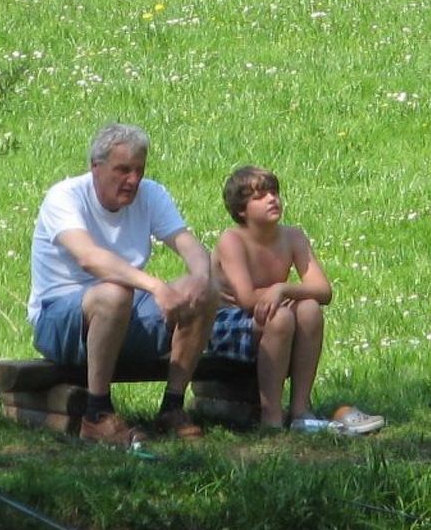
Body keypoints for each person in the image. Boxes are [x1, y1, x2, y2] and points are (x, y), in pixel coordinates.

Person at [29, 123, 217, 445]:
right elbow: (90, 258)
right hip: (59, 320)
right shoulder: (64, 197)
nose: (133, 180)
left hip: (125, 313)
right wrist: (157, 286)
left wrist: (201, 277)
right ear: (96, 167)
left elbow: (187, 243)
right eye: (122, 170)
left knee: (203, 293)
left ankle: (172, 407)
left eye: (139, 170)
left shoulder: (151, 194)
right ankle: (96, 415)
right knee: (114, 293)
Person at [210, 165, 335, 430]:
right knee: (280, 318)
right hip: (223, 323)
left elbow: (323, 291)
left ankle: (301, 409)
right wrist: (280, 293)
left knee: (310, 309)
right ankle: (272, 416)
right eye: (260, 196)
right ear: (241, 210)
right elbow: (245, 299)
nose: (272, 199)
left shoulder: (293, 236)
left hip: (268, 313)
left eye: (274, 193)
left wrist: (283, 289)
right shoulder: (232, 241)